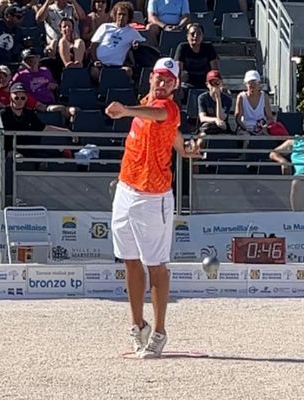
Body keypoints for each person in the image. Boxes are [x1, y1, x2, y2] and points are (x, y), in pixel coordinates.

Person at [105, 57, 200, 358]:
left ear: (175, 85)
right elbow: (171, 134)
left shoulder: (167, 108)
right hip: (126, 188)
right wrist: (184, 149)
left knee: (156, 265)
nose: (162, 82)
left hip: (153, 196)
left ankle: (159, 331)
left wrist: (127, 110)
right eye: (159, 77)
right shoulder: (146, 104)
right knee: (129, 260)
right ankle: (138, 326)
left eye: (168, 80)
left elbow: (160, 116)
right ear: (151, 78)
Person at [0, 82, 73, 157]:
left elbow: (44, 128)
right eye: (16, 98)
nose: (19, 101)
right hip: (11, 151)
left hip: (30, 149)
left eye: (22, 98)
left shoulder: (29, 113)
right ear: (10, 97)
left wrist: (66, 131)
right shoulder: (4, 114)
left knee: (54, 154)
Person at [89, 1, 145, 80]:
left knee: (128, 71)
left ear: (129, 16)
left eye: (124, 14)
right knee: (94, 72)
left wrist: (136, 44)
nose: (121, 17)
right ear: (115, 15)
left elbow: (142, 42)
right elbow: (93, 46)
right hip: (100, 65)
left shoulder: (132, 32)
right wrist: (95, 61)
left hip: (118, 67)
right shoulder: (105, 27)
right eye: (119, 14)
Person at [175, 23, 219, 90]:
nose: (195, 36)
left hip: (205, 82)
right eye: (192, 34)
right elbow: (178, 70)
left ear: (202, 36)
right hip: (187, 83)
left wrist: (216, 86)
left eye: (199, 34)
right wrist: (177, 87)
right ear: (187, 36)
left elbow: (214, 70)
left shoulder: (209, 48)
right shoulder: (182, 47)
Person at [196, 69, 232, 143]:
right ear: (207, 85)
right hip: (207, 125)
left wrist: (218, 98)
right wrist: (215, 120)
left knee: (224, 128)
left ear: (221, 84)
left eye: (217, 83)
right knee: (201, 138)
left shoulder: (227, 99)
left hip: (222, 125)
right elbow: (202, 118)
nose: (214, 86)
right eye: (211, 83)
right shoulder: (202, 98)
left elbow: (222, 117)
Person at [235, 70, 274, 135]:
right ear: (246, 84)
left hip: (260, 127)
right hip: (245, 128)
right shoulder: (241, 97)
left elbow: (270, 118)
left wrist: (262, 126)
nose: (252, 85)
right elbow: (238, 119)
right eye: (250, 82)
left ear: (259, 83)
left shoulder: (264, 97)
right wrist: (246, 129)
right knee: (244, 136)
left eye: (255, 82)